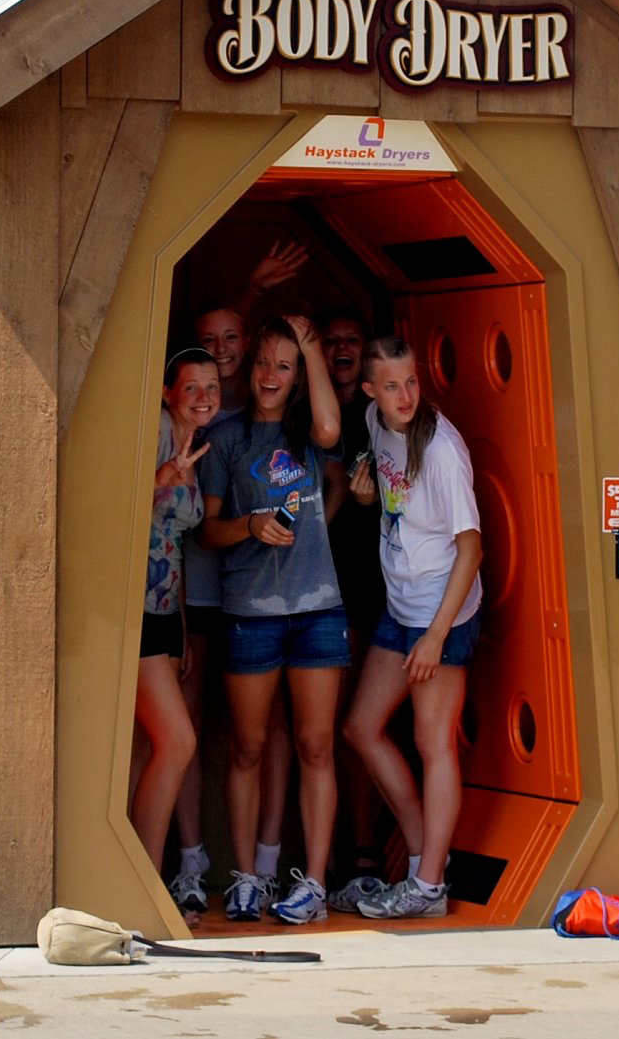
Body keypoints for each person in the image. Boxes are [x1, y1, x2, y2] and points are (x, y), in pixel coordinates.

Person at [199, 315, 346, 925]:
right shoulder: (227, 437)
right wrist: (251, 525)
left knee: (316, 745)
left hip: (318, 607)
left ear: (299, 375)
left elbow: (332, 428)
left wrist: (311, 346)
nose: (269, 375)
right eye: (263, 362)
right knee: (248, 748)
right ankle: (247, 878)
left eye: (284, 366)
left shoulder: (307, 432)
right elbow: (207, 531)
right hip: (250, 611)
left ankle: (314, 884)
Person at [341, 336, 484, 920]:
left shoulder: (442, 450)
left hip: (441, 611)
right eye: (392, 385)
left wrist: (436, 637)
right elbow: (388, 491)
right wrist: (363, 491)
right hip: (400, 604)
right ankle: (427, 856)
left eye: (412, 382)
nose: (405, 396)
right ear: (369, 390)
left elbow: (471, 550)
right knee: (360, 727)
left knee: (433, 743)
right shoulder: (375, 421)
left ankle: (427, 887)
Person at [129, 349, 215, 871]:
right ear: (167, 393)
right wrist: (161, 477)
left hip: (165, 613)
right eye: (191, 387)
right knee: (179, 742)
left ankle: (134, 876)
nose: (204, 397)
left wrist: (181, 626)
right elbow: (110, 504)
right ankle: (146, 879)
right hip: (131, 611)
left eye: (212, 387)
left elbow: (174, 545)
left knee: (147, 748)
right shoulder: (156, 431)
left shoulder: (193, 442)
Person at [316, 305, 391, 892]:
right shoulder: (307, 414)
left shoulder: (383, 418)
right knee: (316, 734)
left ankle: (364, 850)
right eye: (333, 339)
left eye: (352, 339)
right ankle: (320, 859)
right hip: (307, 588)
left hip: (368, 589)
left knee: (354, 726)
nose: (342, 348)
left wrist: (373, 502)